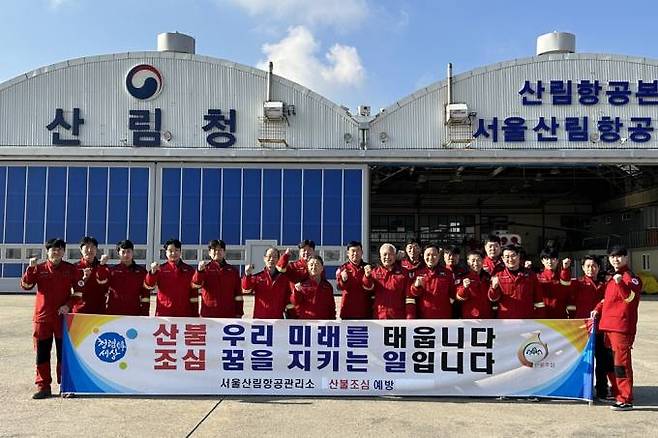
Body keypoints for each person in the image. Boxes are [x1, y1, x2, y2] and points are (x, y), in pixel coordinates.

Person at [20, 238, 86, 399]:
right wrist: (30, 269)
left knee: (64, 354)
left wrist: (68, 306)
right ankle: (43, 386)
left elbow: (78, 293)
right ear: (47, 251)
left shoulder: (70, 269)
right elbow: (26, 286)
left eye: (59, 249)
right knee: (42, 354)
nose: (56, 252)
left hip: (62, 319)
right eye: (53, 249)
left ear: (63, 252)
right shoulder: (38, 268)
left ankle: (66, 385)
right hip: (42, 320)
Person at [592, 245, 642, 411]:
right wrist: (597, 310)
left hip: (621, 328)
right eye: (613, 256)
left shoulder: (630, 278)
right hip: (608, 327)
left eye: (619, 256)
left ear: (626, 258)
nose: (616, 259)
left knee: (621, 365)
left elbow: (630, 299)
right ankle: (618, 393)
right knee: (612, 364)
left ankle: (625, 399)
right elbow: (607, 300)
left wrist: (621, 283)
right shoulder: (613, 277)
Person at [566, 255, 612, 400]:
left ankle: (602, 390)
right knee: (581, 361)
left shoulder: (605, 285)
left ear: (599, 268)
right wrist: (565, 269)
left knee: (602, 361)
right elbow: (564, 288)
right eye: (587, 266)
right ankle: (580, 389)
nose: (590, 269)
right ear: (582, 267)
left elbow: (608, 301)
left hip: (601, 328)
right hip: (582, 329)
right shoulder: (577, 283)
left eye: (594, 266)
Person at [144, 238, 199, 317]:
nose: (173, 253)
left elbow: (194, 294)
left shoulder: (189, 270)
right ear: (166, 253)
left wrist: (195, 314)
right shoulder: (160, 269)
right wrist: (152, 272)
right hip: (164, 313)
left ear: (180, 252)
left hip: (185, 313)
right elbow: (149, 286)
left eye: (176, 250)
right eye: (170, 251)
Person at [489, 244, 546, 319]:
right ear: (502, 258)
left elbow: (539, 300)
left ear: (518, 256)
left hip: (527, 319)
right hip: (506, 320)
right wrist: (494, 288)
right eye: (507, 257)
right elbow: (493, 298)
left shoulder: (530, 275)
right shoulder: (498, 276)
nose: (510, 259)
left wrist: (540, 320)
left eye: (513, 255)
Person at [192, 239, 243, 318]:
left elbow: (238, 294)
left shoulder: (233, 271)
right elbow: (196, 284)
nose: (217, 252)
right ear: (209, 253)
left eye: (220, 250)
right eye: (214, 250)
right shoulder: (205, 269)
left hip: (229, 314)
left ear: (224, 252)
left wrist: (239, 313)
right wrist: (199, 271)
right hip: (209, 314)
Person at [100, 240, 150, 316]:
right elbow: (102, 288)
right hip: (114, 313)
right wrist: (102, 265)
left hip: (134, 313)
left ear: (133, 252)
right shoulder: (112, 271)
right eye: (123, 252)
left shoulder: (141, 272)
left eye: (128, 251)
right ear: (118, 254)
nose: (126, 254)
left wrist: (144, 313)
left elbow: (145, 294)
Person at [362, 243, 412, 319]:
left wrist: (410, 316)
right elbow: (368, 288)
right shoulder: (374, 272)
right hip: (379, 315)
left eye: (390, 254)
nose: (387, 257)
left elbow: (409, 297)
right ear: (380, 256)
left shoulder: (404, 273)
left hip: (398, 316)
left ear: (395, 256)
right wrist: (367, 276)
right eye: (384, 254)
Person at [242, 247, 292, 319]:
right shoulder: (257, 277)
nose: (271, 259)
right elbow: (246, 288)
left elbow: (288, 299)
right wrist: (247, 275)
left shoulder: (284, 279)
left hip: (277, 319)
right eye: (269, 256)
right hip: (260, 319)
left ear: (278, 259)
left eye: (275, 257)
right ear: (264, 258)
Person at [407, 244, 455, 319]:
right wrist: (416, 286)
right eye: (428, 255)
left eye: (434, 255)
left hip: (444, 318)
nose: (431, 258)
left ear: (439, 256)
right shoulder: (417, 273)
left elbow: (453, 294)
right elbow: (411, 296)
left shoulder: (448, 273)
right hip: (424, 317)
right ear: (423, 256)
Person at [70, 236, 109, 314]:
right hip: (80, 311)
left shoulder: (103, 266)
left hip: (99, 311)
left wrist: (101, 266)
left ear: (96, 250)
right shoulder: (74, 267)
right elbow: (72, 290)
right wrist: (84, 279)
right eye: (87, 247)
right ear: (81, 250)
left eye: (93, 247)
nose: (90, 250)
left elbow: (106, 287)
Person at [336, 241, 372, 319]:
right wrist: (343, 280)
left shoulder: (368, 268)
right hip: (348, 311)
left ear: (362, 252)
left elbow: (372, 287)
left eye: (358, 250)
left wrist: (368, 276)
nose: (355, 253)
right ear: (348, 253)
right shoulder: (343, 268)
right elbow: (339, 287)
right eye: (353, 251)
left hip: (365, 310)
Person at [456, 250, 495, 319]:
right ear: (468, 262)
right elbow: (459, 297)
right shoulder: (462, 277)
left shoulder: (488, 276)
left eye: (478, 260)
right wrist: (464, 287)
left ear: (483, 261)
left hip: (487, 316)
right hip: (469, 317)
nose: (476, 263)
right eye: (473, 261)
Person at [536, 247, 572, 319]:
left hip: (560, 316)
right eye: (546, 259)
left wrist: (565, 269)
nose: (549, 261)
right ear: (542, 261)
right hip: (542, 317)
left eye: (553, 258)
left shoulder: (563, 275)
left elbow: (567, 288)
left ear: (558, 260)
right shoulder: (537, 277)